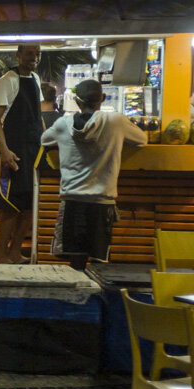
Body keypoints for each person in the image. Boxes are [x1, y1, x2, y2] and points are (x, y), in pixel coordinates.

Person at [41, 79, 147, 269]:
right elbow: (142, 140)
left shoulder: (63, 124)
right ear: (103, 99)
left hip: (72, 203)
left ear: (77, 101)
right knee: (100, 263)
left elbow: (44, 140)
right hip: (102, 204)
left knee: (76, 262)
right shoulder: (116, 121)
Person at [0, 44, 43, 263]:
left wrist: (46, 142)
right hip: (13, 151)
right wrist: (5, 151)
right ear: (18, 55)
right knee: (10, 206)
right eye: (30, 53)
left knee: (30, 205)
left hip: (34, 150)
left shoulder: (36, 79)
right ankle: (1, 255)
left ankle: (15, 251)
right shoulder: (6, 81)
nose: (34, 58)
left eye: (38, 54)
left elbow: (37, 116)